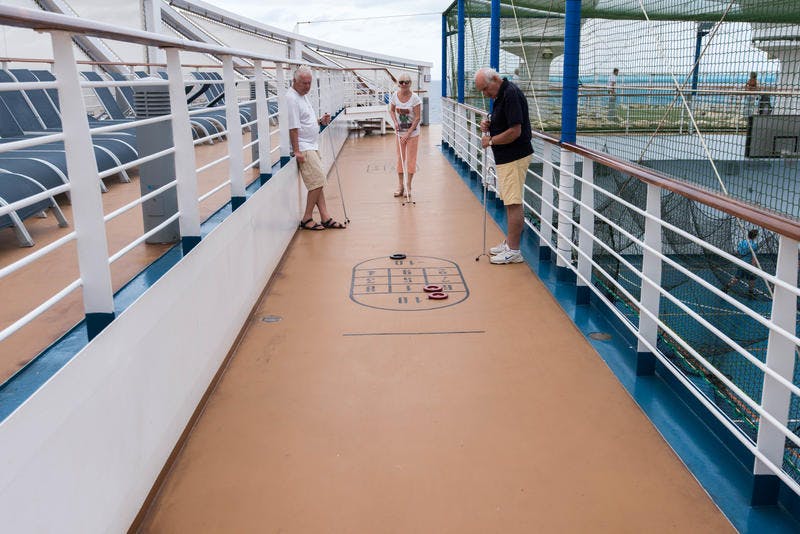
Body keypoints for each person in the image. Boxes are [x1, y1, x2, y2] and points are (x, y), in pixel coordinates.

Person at [474, 67, 533, 265]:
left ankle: (514, 251)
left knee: (513, 203)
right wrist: (489, 125)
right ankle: (510, 243)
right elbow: (505, 122)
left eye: (485, 89)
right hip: (506, 157)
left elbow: (515, 131)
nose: (485, 94)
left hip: (514, 156)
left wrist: (490, 141)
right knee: (509, 201)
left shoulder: (510, 94)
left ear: (494, 80)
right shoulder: (501, 95)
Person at [287, 65, 346, 230]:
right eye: (304, 83)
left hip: (311, 144)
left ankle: (325, 217)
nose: (307, 86)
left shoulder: (302, 95)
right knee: (318, 181)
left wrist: (320, 121)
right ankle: (307, 218)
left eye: (309, 83)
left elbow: (305, 121)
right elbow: (293, 127)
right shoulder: (291, 98)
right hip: (304, 147)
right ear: (294, 81)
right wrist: (297, 150)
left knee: (317, 183)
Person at [388, 73, 422, 197]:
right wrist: (395, 122)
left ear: (410, 83)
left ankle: (408, 185)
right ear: (398, 84)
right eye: (401, 82)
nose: (403, 84)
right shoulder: (395, 96)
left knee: (411, 160)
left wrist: (408, 133)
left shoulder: (415, 98)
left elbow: (417, 118)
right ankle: (400, 186)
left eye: (406, 82)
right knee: (400, 159)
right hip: (399, 133)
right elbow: (391, 110)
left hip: (412, 134)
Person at [723, 229, 759, 298]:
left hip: (741, 262)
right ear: (755, 237)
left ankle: (727, 286)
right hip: (748, 264)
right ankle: (751, 293)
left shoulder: (742, 242)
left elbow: (738, 252)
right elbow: (754, 258)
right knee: (752, 279)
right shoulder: (754, 245)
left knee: (737, 277)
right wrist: (754, 267)